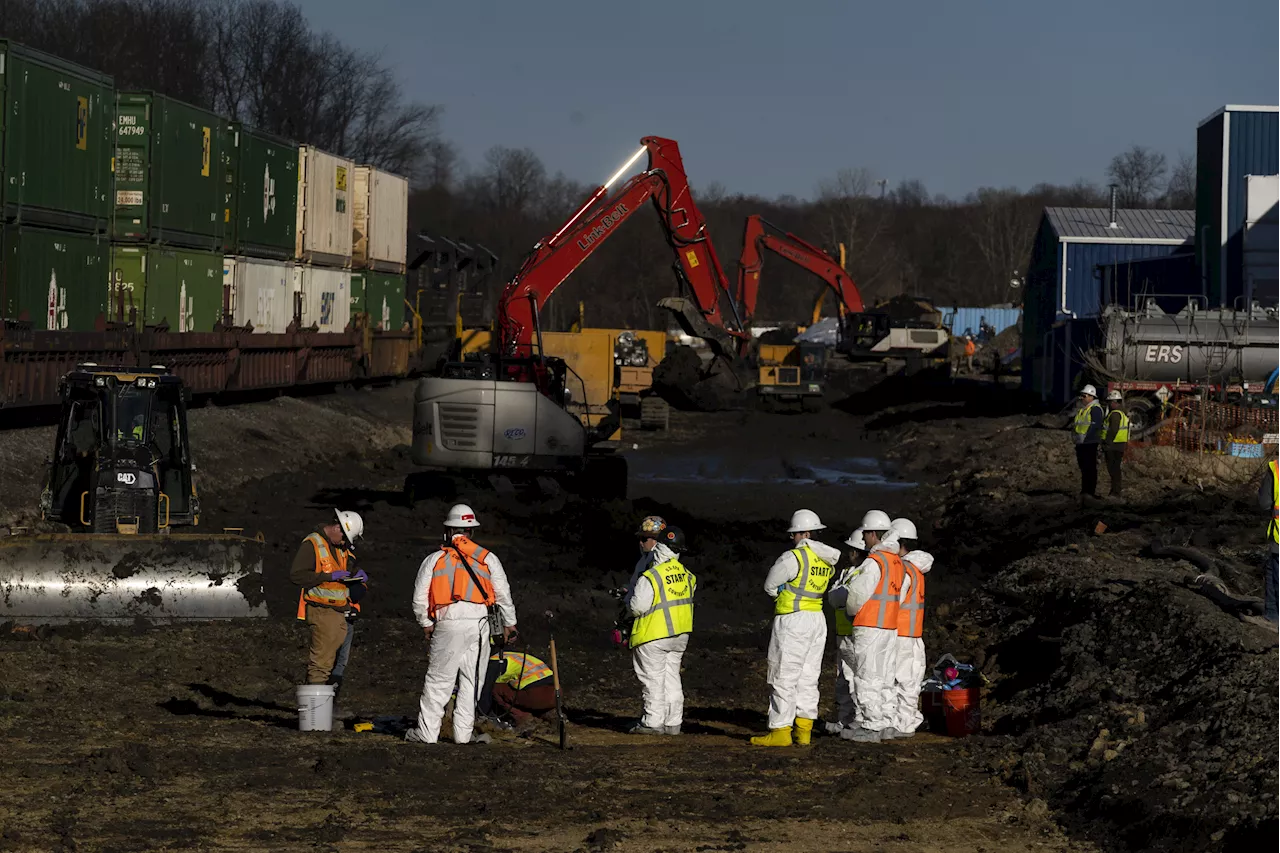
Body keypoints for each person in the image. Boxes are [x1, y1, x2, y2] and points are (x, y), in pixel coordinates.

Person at [406, 504, 518, 745]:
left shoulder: (434, 559)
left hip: (448, 622)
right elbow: (502, 593)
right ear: (471, 533)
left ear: (448, 531)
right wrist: (510, 623)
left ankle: (426, 734)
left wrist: (426, 623)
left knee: (439, 681)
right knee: (472, 681)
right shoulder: (489, 558)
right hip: (480, 625)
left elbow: (419, 597)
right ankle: (463, 735)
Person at [751, 509, 841, 747]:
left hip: (793, 620)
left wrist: (782, 596)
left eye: (795, 534)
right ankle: (804, 729)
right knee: (809, 676)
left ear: (805, 534)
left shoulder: (793, 558)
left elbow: (770, 586)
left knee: (783, 675)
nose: (792, 538)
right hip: (817, 619)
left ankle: (780, 730)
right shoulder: (825, 559)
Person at [833, 509, 905, 743]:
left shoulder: (875, 562)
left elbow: (856, 596)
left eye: (865, 534)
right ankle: (884, 723)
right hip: (889, 626)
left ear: (874, 534)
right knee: (883, 676)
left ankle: (871, 725)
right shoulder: (895, 562)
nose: (863, 539)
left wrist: (852, 613)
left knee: (866, 676)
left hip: (870, 625)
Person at [625, 520, 695, 735]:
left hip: (653, 635)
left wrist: (626, 604)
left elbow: (637, 607)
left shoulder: (652, 575)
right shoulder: (687, 574)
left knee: (653, 680)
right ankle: (673, 723)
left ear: (660, 546)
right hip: (680, 634)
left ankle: (652, 723)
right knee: (672, 679)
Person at [289, 509, 367, 685]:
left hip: (338, 612)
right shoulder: (312, 544)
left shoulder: (338, 547)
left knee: (329, 662)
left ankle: (318, 705)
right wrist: (327, 577)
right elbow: (297, 575)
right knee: (321, 665)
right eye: (345, 537)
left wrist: (356, 576)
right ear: (337, 527)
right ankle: (314, 709)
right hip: (322, 611)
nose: (345, 542)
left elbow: (345, 569)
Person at [886, 517, 934, 740]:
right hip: (914, 634)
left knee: (898, 681)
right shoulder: (917, 569)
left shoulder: (904, 570)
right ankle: (907, 721)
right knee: (911, 682)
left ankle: (901, 724)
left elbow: (894, 601)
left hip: (900, 634)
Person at [821, 526, 866, 736]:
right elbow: (833, 597)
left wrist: (838, 595)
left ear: (856, 551)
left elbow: (839, 597)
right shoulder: (847, 573)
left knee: (858, 679)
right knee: (843, 679)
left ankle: (858, 719)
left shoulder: (863, 574)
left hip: (856, 633)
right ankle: (845, 719)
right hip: (843, 632)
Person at [477, 648, 556, 729]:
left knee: (495, 688)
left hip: (537, 695)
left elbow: (485, 692)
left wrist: (485, 714)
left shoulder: (494, 663)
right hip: (556, 693)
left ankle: (523, 717)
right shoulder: (512, 656)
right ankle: (546, 714)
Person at [1257, 459, 1280, 626]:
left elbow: (1264, 504)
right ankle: (1272, 616)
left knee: (1275, 576)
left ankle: (1274, 617)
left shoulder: (1277, 468)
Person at [1072, 384, 1104, 498]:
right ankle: (1085, 491)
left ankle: (1089, 492)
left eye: (1084, 395)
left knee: (1089, 468)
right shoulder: (1084, 410)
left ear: (1091, 396)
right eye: (1082, 395)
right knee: (1084, 469)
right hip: (1081, 444)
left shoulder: (1095, 409)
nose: (1082, 398)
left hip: (1089, 443)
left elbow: (1095, 426)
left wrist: (1085, 438)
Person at [1102, 390, 1129, 497]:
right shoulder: (1122, 413)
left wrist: (1107, 443)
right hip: (1119, 444)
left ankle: (1115, 492)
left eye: (1109, 402)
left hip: (1113, 445)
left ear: (1113, 402)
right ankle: (1115, 491)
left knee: (1113, 469)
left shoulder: (1115, 414)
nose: (1108, 404)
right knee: (1116, 469)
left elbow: (1113, 430)